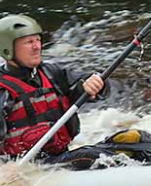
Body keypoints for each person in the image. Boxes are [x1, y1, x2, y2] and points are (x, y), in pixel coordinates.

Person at [0, 14, 107, 160]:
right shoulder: (3, 90)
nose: (37, 47)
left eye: (38, 40)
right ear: (8, 49)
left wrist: (93, 84)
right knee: (92, 156)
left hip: (61, 156)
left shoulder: (51, 73)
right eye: (29, 42)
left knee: (133, 139)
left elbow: (92, 86)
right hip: (27, 166)